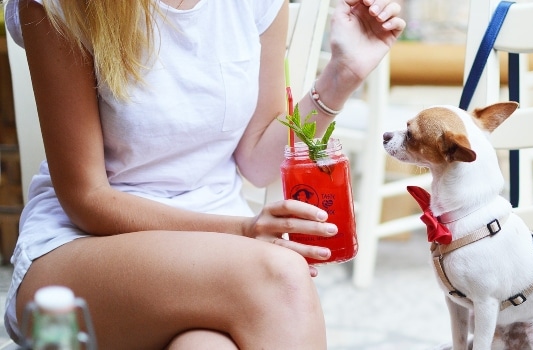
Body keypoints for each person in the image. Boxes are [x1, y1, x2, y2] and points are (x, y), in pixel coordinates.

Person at [2, 0, 404, 348]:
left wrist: (341, 75)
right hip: (83, 251)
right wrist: (241, 232)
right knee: (280, 275)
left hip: (219, 262)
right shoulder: (64, 6)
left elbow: (257, 160)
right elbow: (87, 199)